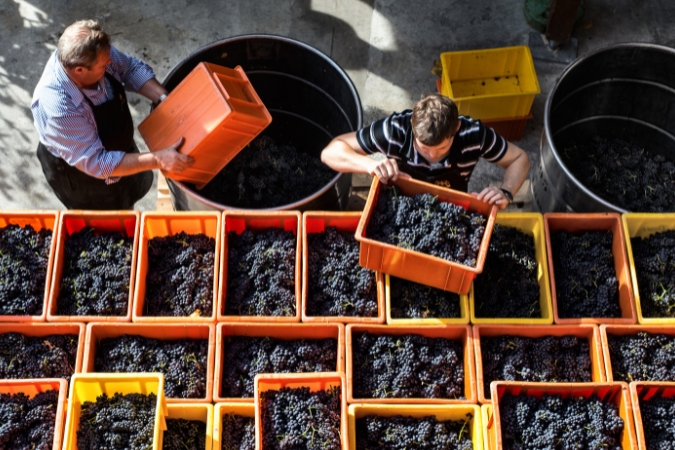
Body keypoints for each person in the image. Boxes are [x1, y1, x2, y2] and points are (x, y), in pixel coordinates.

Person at [31, 19, 194, 210]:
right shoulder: (59, 109)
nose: (109, 63)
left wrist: (166, 101)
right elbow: (99, 163)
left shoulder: (93, 52)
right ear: (80, 71)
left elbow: (130, 68)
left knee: (130, 192)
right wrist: (157, 159)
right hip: (86, 175)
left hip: (116, 147)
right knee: (111, 222)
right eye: (103, 65)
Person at [320, 93, 530, 209]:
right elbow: (330, 152)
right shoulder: (394, 130)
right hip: (398, 205)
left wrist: (506, 191)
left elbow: (519, 158)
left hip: (449, 206)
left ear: (456, 129)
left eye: (441, 148)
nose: (432, 156)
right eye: (423, 148)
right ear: (412, 128)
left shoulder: (473, 135)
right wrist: (370, 164)